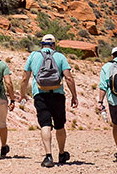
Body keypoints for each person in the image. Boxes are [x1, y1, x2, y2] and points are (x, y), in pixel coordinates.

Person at [20, 34, 78, 168]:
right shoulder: (60, 56)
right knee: (60, 125)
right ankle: (62, 153)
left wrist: (22, 95)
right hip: (58, 95)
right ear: (54, 45)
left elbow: (24, 78)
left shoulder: (34, 56)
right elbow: (69, 78)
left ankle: (48, 156)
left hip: (40, 94)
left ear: (41, 45)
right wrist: (74, 95)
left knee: (45, 124)